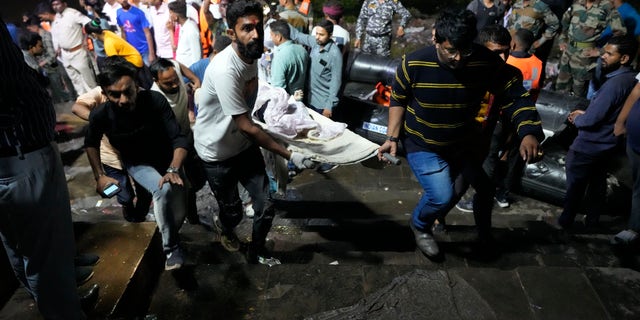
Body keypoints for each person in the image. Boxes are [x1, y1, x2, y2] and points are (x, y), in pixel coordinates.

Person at [378, 8, 543, 258]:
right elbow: (398, 100)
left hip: (462, 142)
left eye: (464, 50)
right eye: (450, 50)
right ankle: (420, 226)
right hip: (423, 142)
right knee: (441, 196)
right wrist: (391, 138)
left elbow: (515, 96)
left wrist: (529, 132)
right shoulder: (413, 64)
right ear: (436, 40)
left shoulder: (485, 63)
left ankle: (478, 232)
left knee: (475, 187)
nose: (458, 58)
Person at [193, 0, 315, 263]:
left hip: (243, 146)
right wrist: (289, 154)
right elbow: (247, 126)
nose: (256, 34)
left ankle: (257, 250)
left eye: (258, 26)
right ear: (231, 33)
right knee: (234, 212)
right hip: (217, 153)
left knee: (266, 206)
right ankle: (224, 225)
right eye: (247, 28)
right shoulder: (226, 69)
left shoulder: (253, 56)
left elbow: (253, 106)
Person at [0, 17, 87, 319]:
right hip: (19, 155)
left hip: (22, 152)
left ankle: (52, 296)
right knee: (45, 258)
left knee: (22, 244)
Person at [85, 57, 189, 270]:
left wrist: (173, 168)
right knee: (163, 191)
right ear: (104, 93)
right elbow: (90, 143)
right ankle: (172, 250)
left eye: (128, 91)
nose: (123, 99)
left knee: (178, 209)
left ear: (137, 86)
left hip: (167, 160)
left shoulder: (155, 100)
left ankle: (163, 231)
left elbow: (179, 139)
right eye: (115, 94)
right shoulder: (100, 114)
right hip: (137, 163)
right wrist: (99, 175)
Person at [557, 35, 638, 230]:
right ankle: (592, 220)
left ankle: (565, 222)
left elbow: (591, 120)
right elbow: (613, 111)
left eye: (609, 54)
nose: (603, 56)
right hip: (609, 143)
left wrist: (577, 118)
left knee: (575, 187)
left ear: (624, 58)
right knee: (597, 185)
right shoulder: (631, 79)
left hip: (590, 144)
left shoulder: (613, 85)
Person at [289, 19, 343, 174]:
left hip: (323, 101)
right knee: (312, 133)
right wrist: (279, 22)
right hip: (310, 97)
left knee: (325, 135)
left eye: (322, 34)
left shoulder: (334, 54)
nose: (318, 37)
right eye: (316, 33)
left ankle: (330, 161)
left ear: (330, 35)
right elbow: (297, 35)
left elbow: (336, 82)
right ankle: (312, 158)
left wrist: (329, 105)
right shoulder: (315, 43)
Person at [556, 0, 626, 97]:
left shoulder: (606, 6)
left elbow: (621, 33)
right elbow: (565, 23)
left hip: (585, 57)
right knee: (560, 87)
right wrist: (562, 39)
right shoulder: (577, 3)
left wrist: (601, 51)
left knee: (578, 91)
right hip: (567, 52)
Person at [36, 0, 96, 96]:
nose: (56, 6)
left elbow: (89, 23)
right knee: (77, 83)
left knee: (89, 81)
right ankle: (87, 105)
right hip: (65, 55)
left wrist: (85, 38)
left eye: (58, 4)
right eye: (53, 5)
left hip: (78, 52)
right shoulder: (57, 18)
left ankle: (98, 104)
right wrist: (58, 48)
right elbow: (59, 36)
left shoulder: (72, 13)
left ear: (64, 3)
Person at [612, 70, 640, 245]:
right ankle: (635, 226)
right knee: (639, 184)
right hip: (635, 138)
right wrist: (620, 122)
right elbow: (637, 91)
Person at [24, 15, 75, 103]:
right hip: (48, 68)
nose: (30, 31)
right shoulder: (39, 36)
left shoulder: (45, 36)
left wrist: (40, 64)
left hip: (52, 68)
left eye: (30, 29)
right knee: (57, 93)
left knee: (60, 93)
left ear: (34, 26)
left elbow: (52, 55)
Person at [506, 0, 560, 74]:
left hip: (526, 50)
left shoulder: (541, 6)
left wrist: (541, 41)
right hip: (511, 46)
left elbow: (555, 24)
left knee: (524, 74)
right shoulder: (517, 3)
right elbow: (510, 23)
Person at [269, 19, 309, 96]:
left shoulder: (280, 57)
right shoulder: (302, 50)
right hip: (301, 99)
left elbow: (278, 89)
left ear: (278, 37)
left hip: (287, 103)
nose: (270, 38)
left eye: (271, 35)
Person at [116, 0, 156, 65]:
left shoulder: (139, 12)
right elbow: (123, 32)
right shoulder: (118, 13)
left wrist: (151, 53)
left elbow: (147, 33)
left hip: (144, 49)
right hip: (132, 51)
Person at [169, 0, 202, 67]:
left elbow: (197, 56)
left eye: (171, 13)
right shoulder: (183, 26)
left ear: (176, 16)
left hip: (190, 70)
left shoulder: (191, 29)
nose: (169, 16)